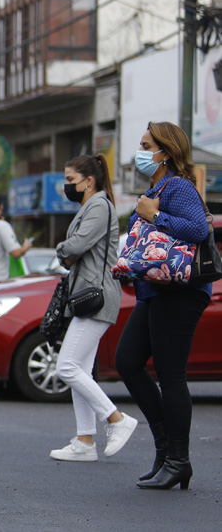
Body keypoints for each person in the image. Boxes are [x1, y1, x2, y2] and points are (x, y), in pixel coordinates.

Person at [115, 122, 212, 490]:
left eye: (145, 145)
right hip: (157, 291)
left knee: (171, 375)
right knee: (127, 361)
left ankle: (178, 460)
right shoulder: (156, 187)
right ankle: (164, 450)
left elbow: (198, 230)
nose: (139, 151)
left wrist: (154, 215)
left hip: (181, 292)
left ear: (165, 152)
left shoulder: (179, 186)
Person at [48, 154, 137, 463]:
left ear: (89, 181)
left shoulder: (99, 205)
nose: (66, 187)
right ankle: (85, 442)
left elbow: (75, 246)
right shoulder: (93, 205)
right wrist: (68, 251)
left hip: (97, 297)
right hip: (89, 296)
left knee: (67, 367)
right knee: (80, 369)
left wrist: (63, 249)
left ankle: (116, 419)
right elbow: (73, 250)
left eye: (70, 181)